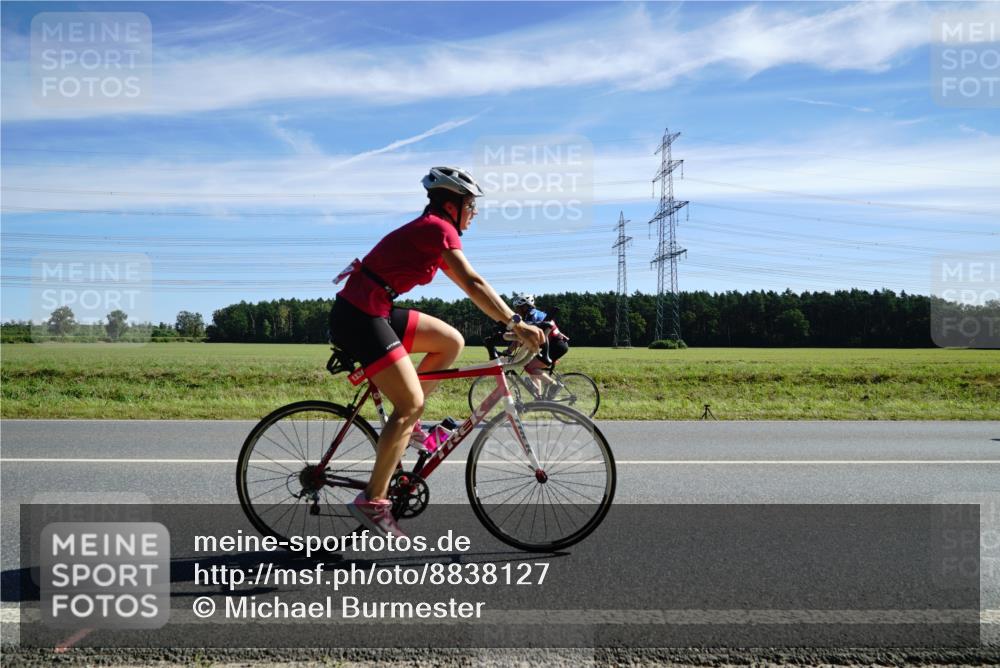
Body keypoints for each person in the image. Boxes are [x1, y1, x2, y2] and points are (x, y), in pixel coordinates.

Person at [329, 166, 545, 538]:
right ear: (454, 203)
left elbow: (470, 288)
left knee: (451, 342)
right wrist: (515, 324)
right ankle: (373, 499)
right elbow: (473, 283)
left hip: (375, 306)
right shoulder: (436, 229)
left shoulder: (433, 232)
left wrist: (505, 320)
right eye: (471, 205)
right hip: (359, 314)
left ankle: (409, 427)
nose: (474, 212)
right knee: (410, 402)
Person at [510, 293, 570, 396]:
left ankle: (555, 385)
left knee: (530, 367)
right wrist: (510, 349)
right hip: (552, 345)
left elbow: (525, 337)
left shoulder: (533, 317)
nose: (516, 310)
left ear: (525, 307)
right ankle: (538, 397)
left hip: (555, 345)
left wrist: (510, 350)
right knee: (529, 366)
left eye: (518, 308)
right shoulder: (531, 315)